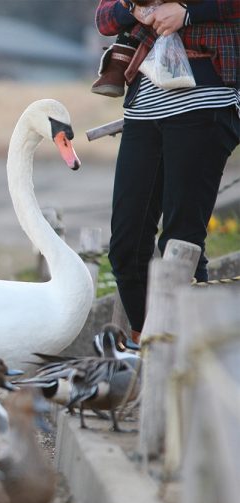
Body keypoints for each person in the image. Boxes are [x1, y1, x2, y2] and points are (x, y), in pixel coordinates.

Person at [96, 0, 240, 343]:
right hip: (144, 106)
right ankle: (153, 346)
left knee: (182, 243)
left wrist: (187, 12)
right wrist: (135, 7)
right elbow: (104, 17)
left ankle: (189, 352)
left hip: (207, 97)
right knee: (125, 248)